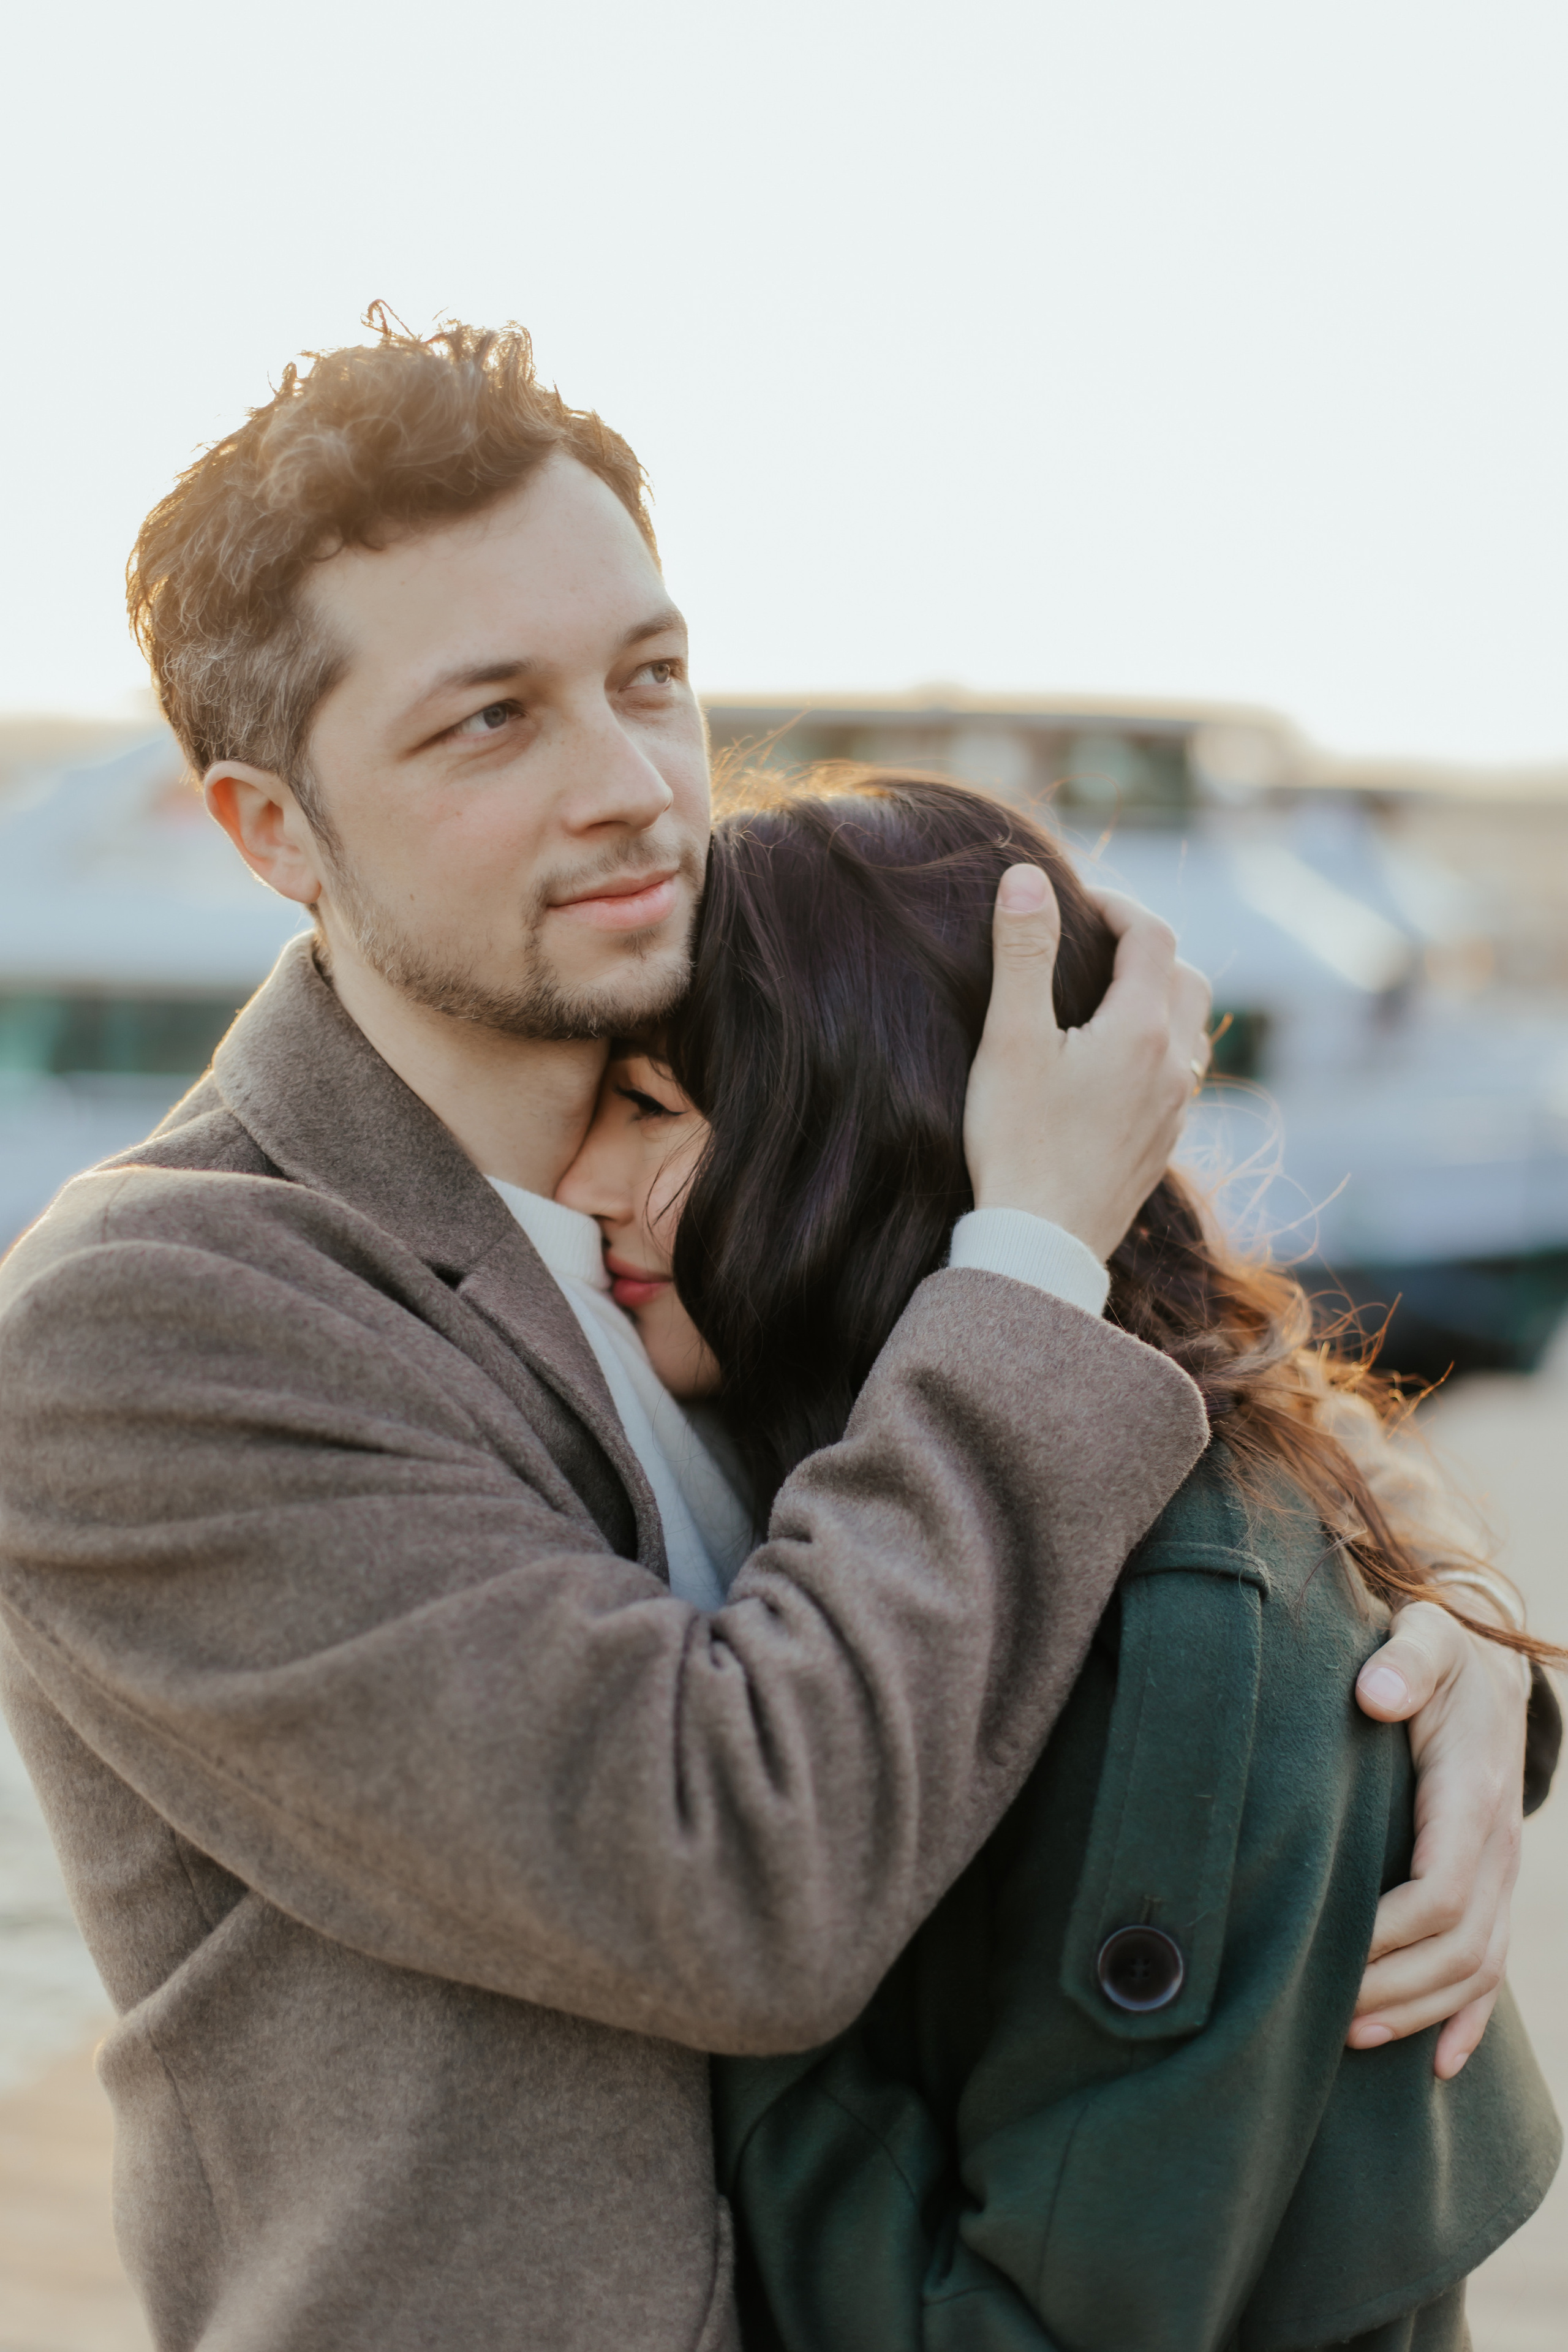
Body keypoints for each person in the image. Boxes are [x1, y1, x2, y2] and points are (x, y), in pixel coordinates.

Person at [0, 318, 1539, 2352]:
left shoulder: (761, 1113)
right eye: (491, 723)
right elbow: (733, 1879)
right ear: (270, 830)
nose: (634, 787)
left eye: (649, 678)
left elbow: (1168, 1428)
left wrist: (1433, 1647)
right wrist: (1023, 1254)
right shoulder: (150, 1326)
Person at [556, 768, 1563, 2351]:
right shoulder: (1002, 1470)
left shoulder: (1168, 1644)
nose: (581, 1185)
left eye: (652, 1109)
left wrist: (653, 1949)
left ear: (861, 1135)